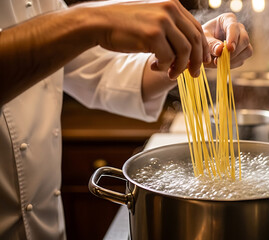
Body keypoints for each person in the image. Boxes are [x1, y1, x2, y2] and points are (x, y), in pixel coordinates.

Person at [0, 0, 253, 239]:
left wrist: (189, 48)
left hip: (47, 228)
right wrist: (93, 21)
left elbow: (100, 70)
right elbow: (81, 33)